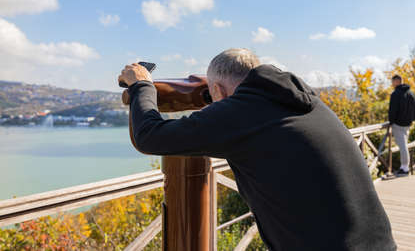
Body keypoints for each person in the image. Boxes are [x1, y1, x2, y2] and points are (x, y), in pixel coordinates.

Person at [118, 49, 396, 251]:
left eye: (213, 97)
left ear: (219, 89)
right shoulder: (300, 98)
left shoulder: (242, 112)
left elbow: (150, 137)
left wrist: (142, 85)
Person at [388, 75, 415, 176]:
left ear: (397, 81)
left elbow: (392, 110)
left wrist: (391, 121)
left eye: (393, 81)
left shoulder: (395, 94)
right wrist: (413, 118)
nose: (392, 83)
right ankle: (404, 166)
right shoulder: (411, 93)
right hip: (407, 124)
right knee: (404, 145)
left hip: (398, 124)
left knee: (402, 146)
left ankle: (404, 167)